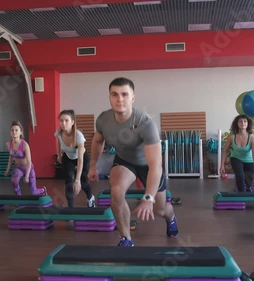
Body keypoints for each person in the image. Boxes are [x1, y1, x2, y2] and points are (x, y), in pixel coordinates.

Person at [88, 77, 179, 247]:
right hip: (125, 161)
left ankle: (171, 218)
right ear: (109, 97)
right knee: (116, 191)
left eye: (124, 94)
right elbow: (97, 141)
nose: (119, 99)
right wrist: (93, 165)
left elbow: (155, 166)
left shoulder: (145, 123)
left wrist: (148, 198)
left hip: (148, 165)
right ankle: (126, 238)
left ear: (132, 98)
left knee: (160, 209)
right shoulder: (103, 119)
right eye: (114, 94)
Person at [54, 110, 95, 208]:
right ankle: (71, 208)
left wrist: (77, 180)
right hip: (68, 157)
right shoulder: (59, 133)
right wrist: (59, 154)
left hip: (82, 158)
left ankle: (90, 197)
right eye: (61, 120)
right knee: (68, 181)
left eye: (66, 120)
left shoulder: (79, 136)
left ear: (72, 122)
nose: (63, 123)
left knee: (83, 181)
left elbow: (80, 159)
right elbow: (59, 142)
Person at [4, 121, 47, 196]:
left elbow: (29, 162)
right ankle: (18, 197)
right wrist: (7, 170)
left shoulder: (25, 145)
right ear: (10, 132)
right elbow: (11, 157)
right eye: (12, 130)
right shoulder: (8, 144)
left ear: (20, 132)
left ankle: (43, 190)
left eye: (16, 130)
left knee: (33, 193)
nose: (14, 132)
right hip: (18, 167)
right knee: (14, 181)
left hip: (28, 168)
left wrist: (27, 176)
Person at [220, 115, 254, 192]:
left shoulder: (252, 138)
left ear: (248, 124)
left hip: (249, 160)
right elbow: (225, 150)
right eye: (240, 121)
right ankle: (241, 194)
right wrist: (222, 165)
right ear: (237, 124)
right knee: (240, 176)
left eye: (245, 121)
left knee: (249, 182)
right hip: (236, 158)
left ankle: (248, 189)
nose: (243, 123)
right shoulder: (232, 137)